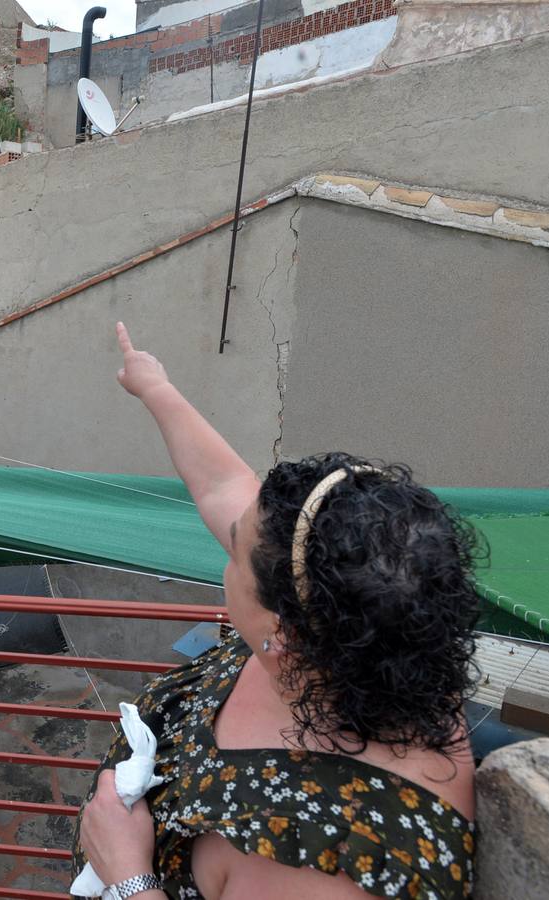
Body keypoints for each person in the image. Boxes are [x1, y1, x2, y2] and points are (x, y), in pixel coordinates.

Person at [74, 323, 481, 900]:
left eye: (233, 550)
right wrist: (154, 386)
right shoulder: (370, 635)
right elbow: (223, 484)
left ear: (282, 632)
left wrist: (126, 875)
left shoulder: (330, 860)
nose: (226, 546)